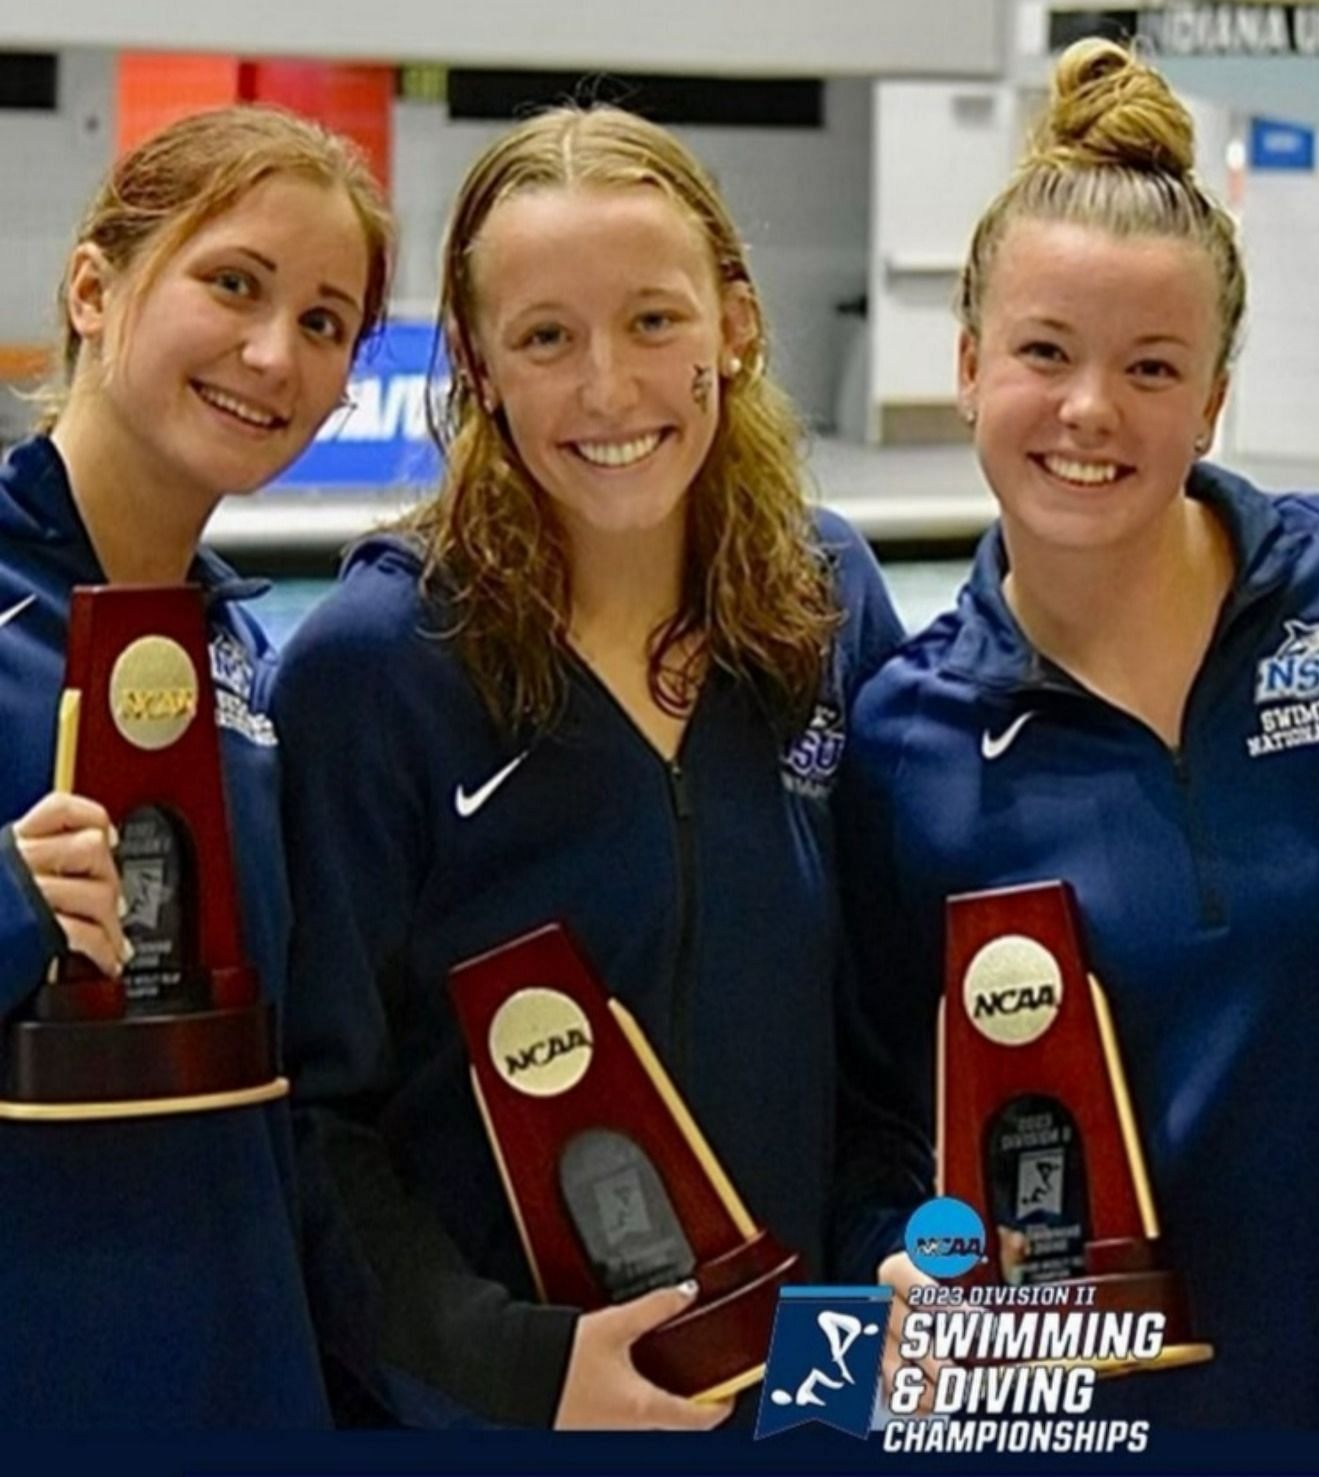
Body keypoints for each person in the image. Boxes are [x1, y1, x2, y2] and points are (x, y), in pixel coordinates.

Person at [835, 39, 1319, 1427]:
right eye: (1043, 352)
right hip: (1108, 1418)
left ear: (1212, 397)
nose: (1092, 410)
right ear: (967, 366)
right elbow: (883, 1122)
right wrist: (906, 1276)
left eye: (1152, 366)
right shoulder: (908, 742)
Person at [273, 105, 902, 1430]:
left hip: (805, 1396)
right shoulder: (376, 669)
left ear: (735, 321)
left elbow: (884, 1046)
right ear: (479, 364)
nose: (608, 389)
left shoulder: (825, 602)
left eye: (654, 321)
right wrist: (513, 1364)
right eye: (548, 337)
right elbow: (317, 1122)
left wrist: (889, 1276)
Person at [0, 106, 391, 1427]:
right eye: (233, 283)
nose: (274, 351)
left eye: (327, 322)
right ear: (97, 285)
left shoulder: (249, 668)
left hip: (241, 1379)